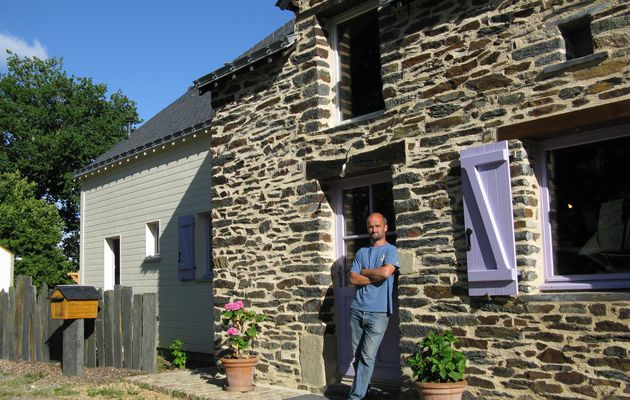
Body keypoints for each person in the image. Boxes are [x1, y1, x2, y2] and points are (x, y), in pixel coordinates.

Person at [347, 212, 399, 400]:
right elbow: (352, 278)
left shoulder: (391, 250)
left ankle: (355, 397)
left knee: (367, 356)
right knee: (358, 356)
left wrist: (366, 272)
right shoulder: (362, 252)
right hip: (356, 309)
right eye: (370, 226)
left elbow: (386, 273)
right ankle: (365, 389)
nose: (373, 229)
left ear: (385, 228)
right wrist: (374, 277)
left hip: (378, 312)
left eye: (377, 226)